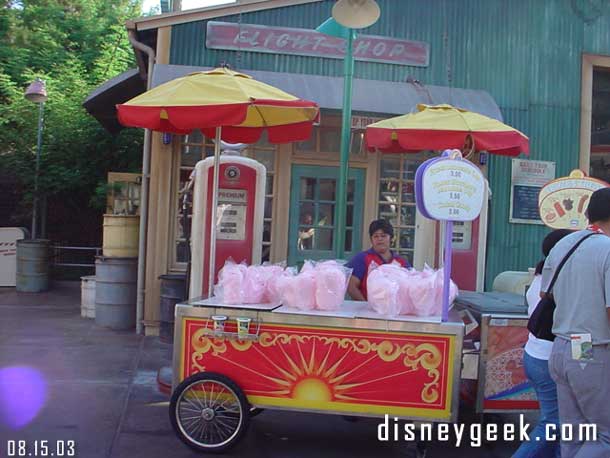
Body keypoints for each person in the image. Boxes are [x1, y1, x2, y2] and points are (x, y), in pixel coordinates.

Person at [541, 187, 610, 457]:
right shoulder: (607, 249)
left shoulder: (564, 243)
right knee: (605, 435)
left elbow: (544, 292)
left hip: (561, 347)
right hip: (590, 349)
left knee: (575, 434)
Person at [513, 229, 572, 458]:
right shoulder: (555, 281)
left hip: (535, 355)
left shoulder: (540, 277)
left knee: (562, 423)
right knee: (553, 423)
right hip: (548, 357)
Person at [346, 219, 409, 301]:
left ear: (391, 238)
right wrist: (365, 306)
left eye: (383, 236)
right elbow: (351, 286)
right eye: (376, 236)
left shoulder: (402, 262)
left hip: (395, 312)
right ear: (371, 240)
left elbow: (409, 287)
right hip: (366, 311)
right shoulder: (362, 258)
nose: (380, 239)